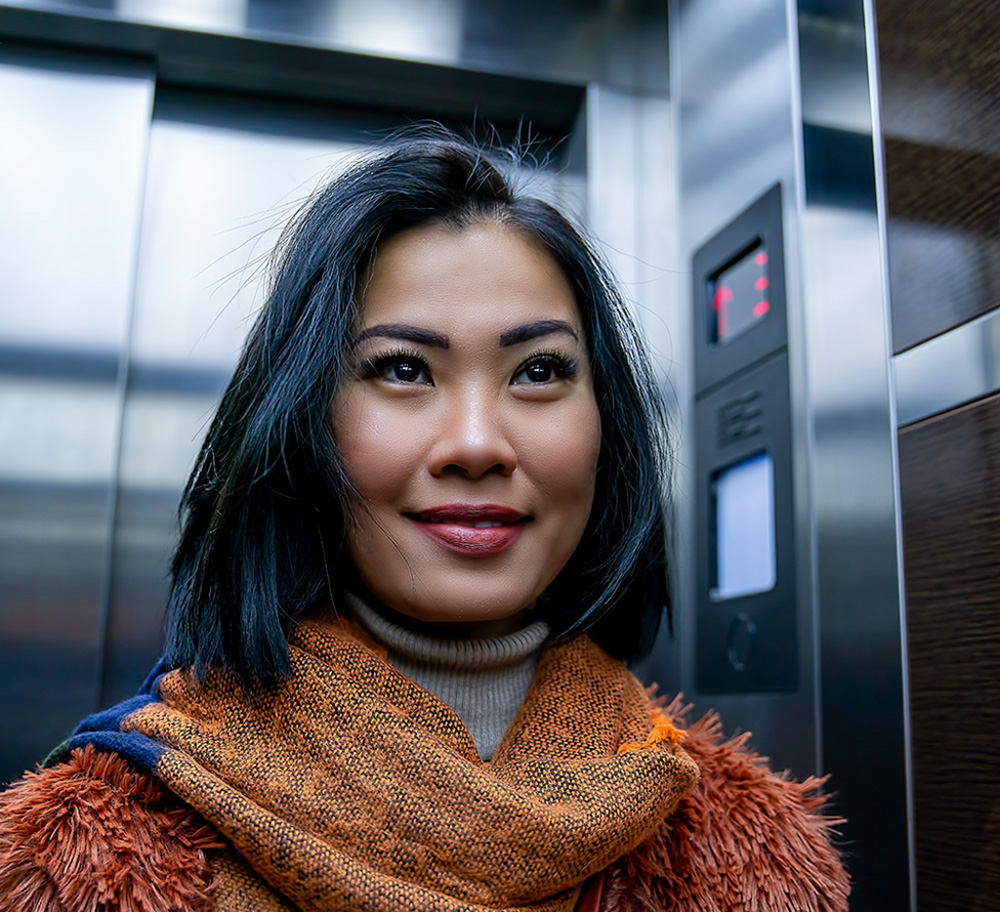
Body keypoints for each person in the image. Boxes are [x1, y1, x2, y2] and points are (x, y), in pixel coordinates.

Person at [0, 135, 849, 912]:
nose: (477, 443)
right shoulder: (88, 856)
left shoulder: (750, 854)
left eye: (540, 370)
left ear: (606, 427)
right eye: (403, 369)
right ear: (302, 424)